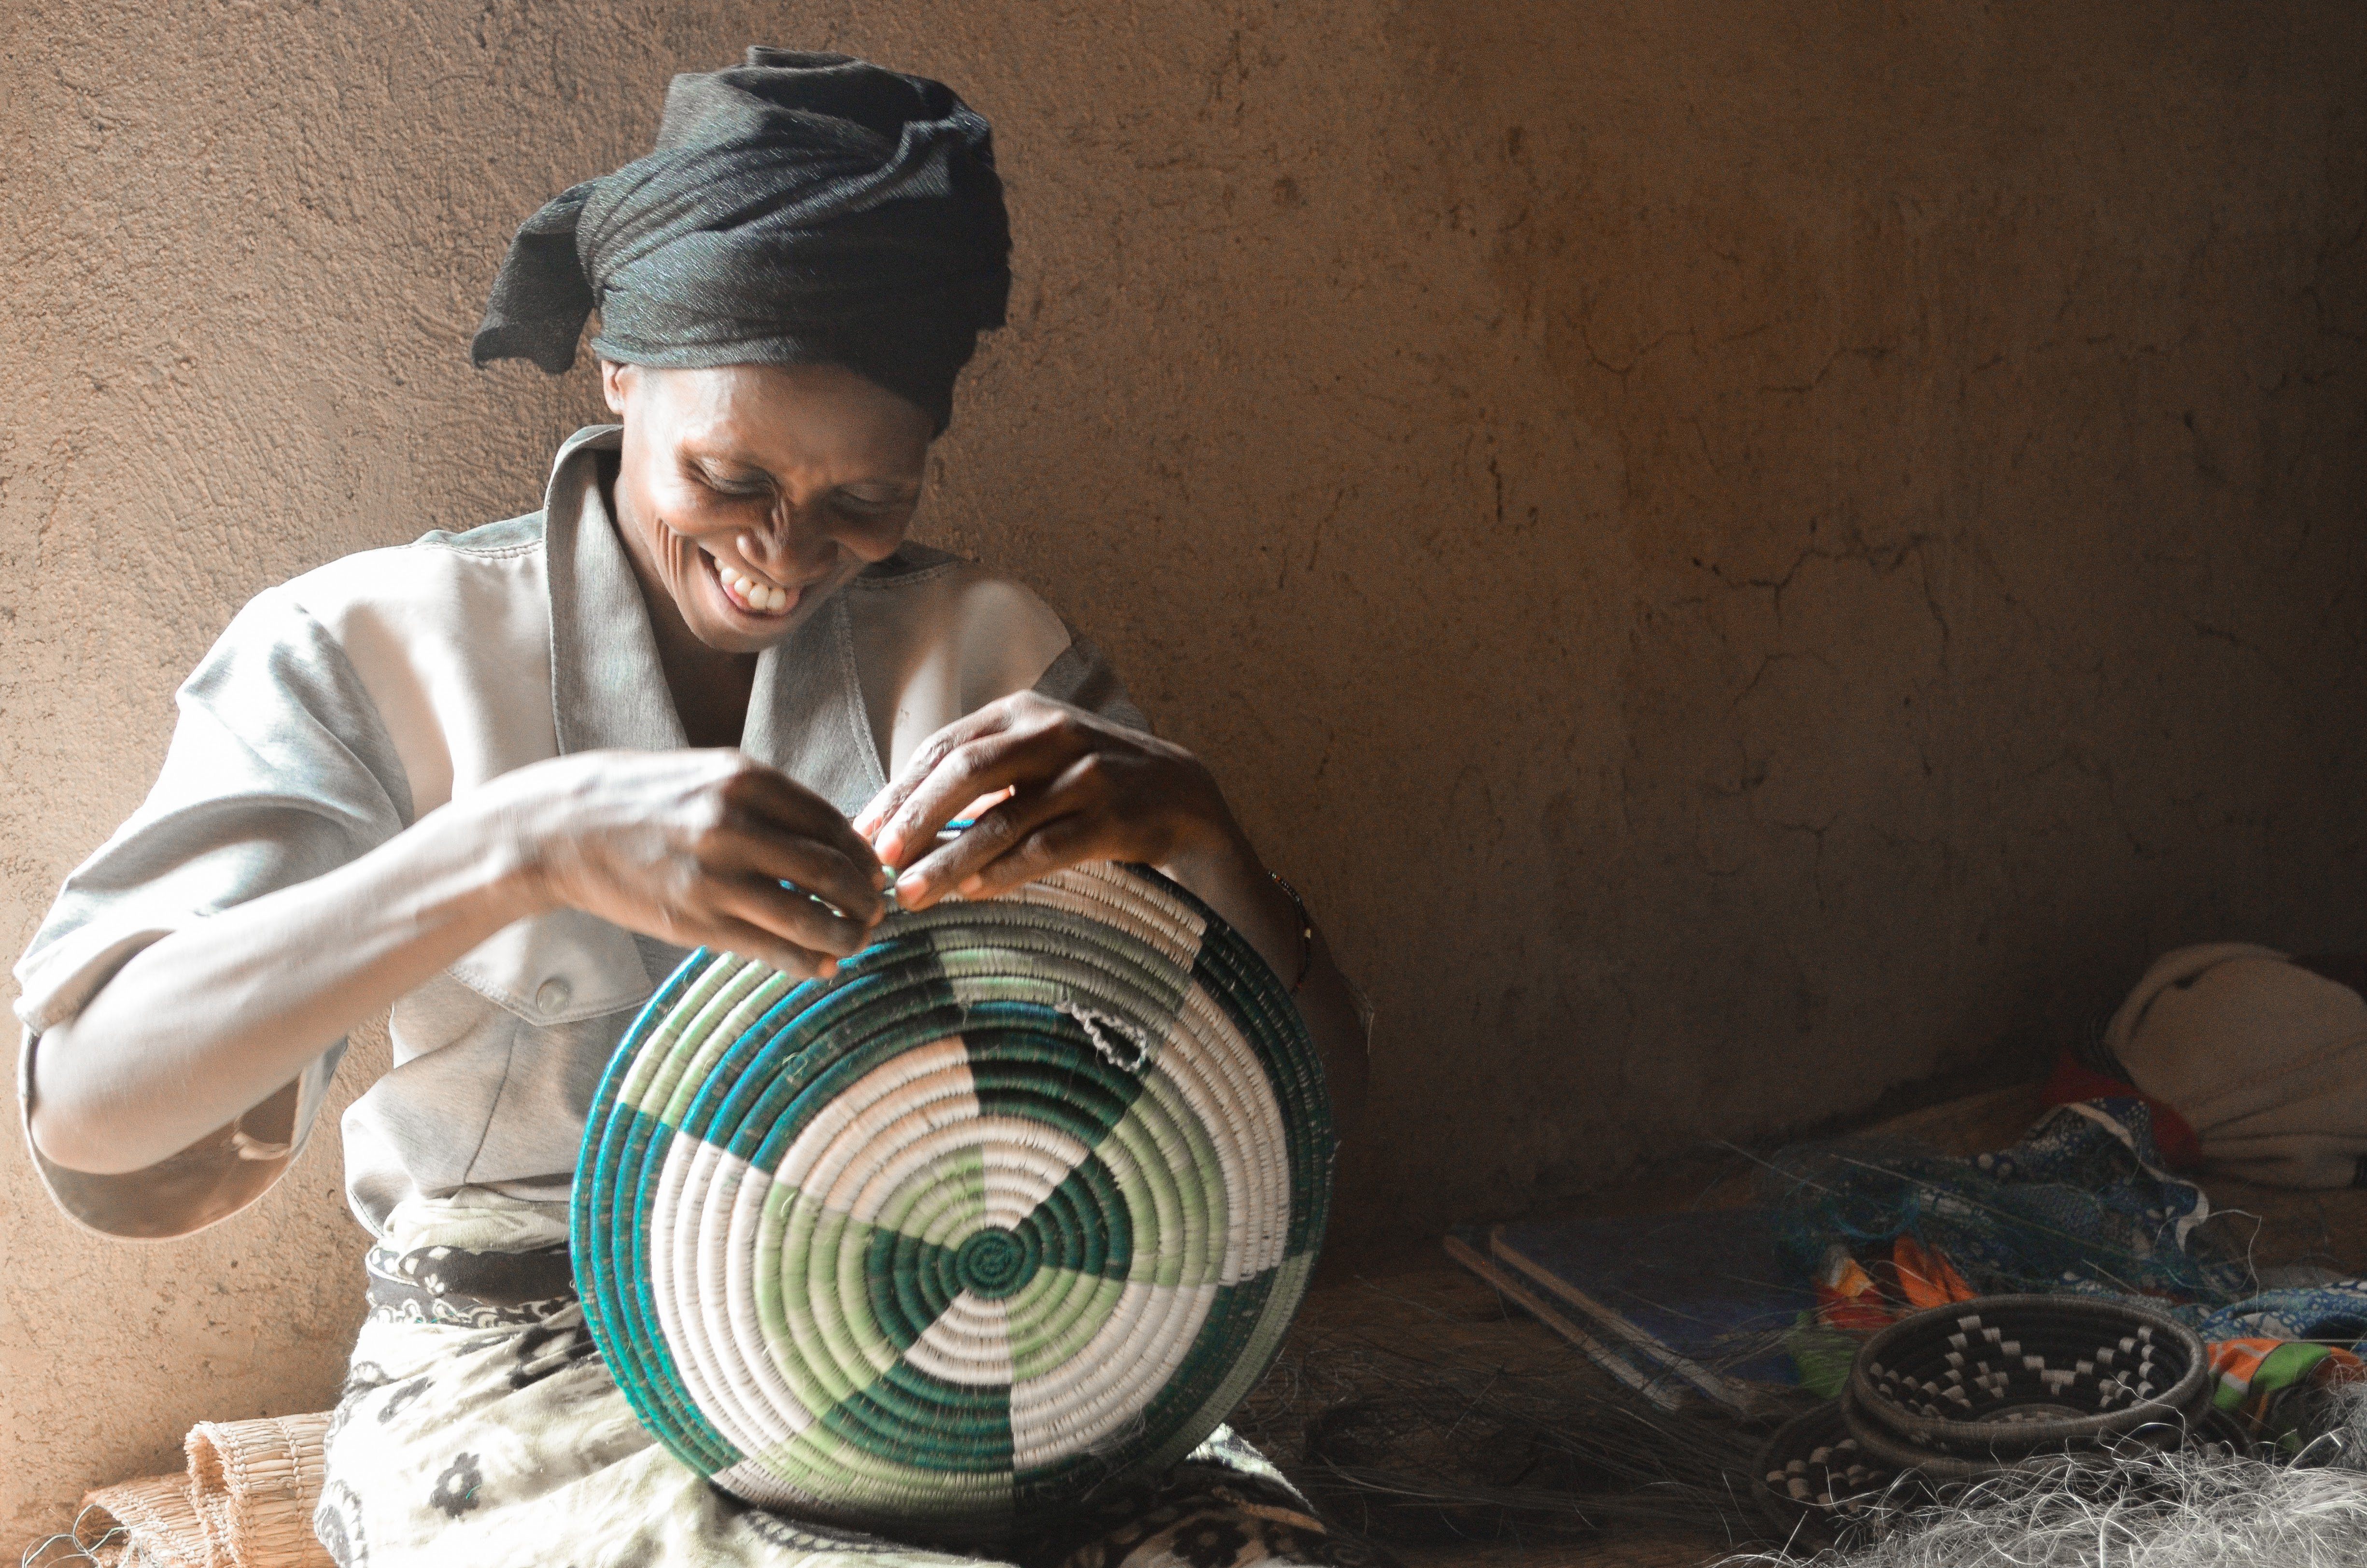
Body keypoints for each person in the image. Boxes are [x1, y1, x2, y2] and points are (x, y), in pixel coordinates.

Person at [14, 49, 1370, 1568]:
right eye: (730, 476)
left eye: (870, 504)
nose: (786, 555)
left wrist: (1205, 841)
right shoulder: (369, 647)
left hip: (986, 1336)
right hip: (534, 1367)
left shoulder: (986, 656)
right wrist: (511, 846)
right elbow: (91, 1107)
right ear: (619, 367)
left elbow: (1298, 1126)